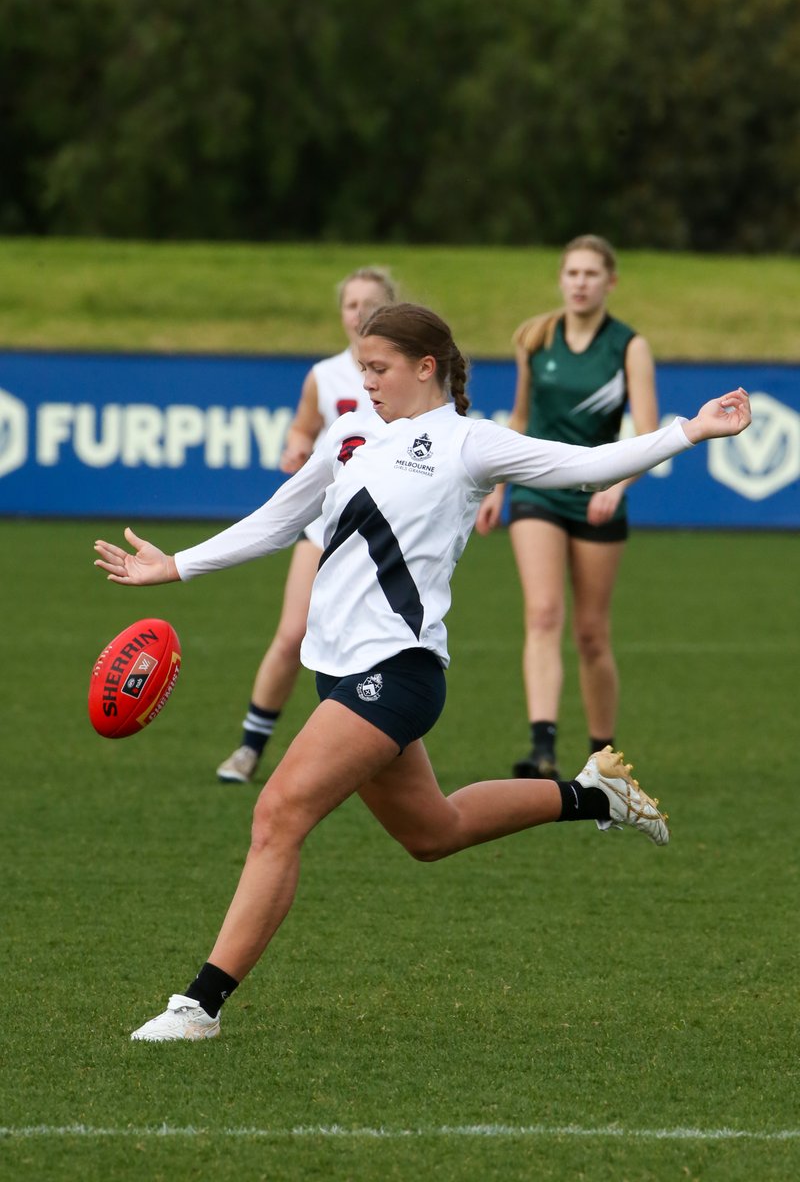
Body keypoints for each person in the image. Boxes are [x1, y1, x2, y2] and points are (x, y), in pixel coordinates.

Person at [93, 302, 751, 1042]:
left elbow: (586, 466)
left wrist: (690, 430)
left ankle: (199, 1006)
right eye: (361, 365)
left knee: (278, 814)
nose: (365, 380)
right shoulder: (347, 434)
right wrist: (176, 566)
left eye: (378, 368)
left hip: (399, 673)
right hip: (338, 673)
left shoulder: (469, 445)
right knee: (433, 831)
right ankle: (593, 796)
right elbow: (280, 518)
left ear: (425, 367)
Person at [476, 235, 658, 783]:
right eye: (572, 273)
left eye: (591, 274)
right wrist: (498, 487)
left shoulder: (629, 347)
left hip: (598, 496)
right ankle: (541, 748)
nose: (580, 282)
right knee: (542, 614)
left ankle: (604, 758)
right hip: (537, 492)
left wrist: (617, 485)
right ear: (561, 278)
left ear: (610, 282)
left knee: (591, 634)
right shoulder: (535, 338)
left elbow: (647, 434)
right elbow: (521, 417)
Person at [216, 265, 397, 784]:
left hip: (390, 533)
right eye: (350, 304)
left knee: (383, 643)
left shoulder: (411, 374)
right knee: (293, 632)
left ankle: (377, 746)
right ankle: (249, 747)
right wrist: (296, 445)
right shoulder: (325, 374)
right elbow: (303, 428)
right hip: (329, 523)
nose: (359, 312)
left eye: (371, 303)